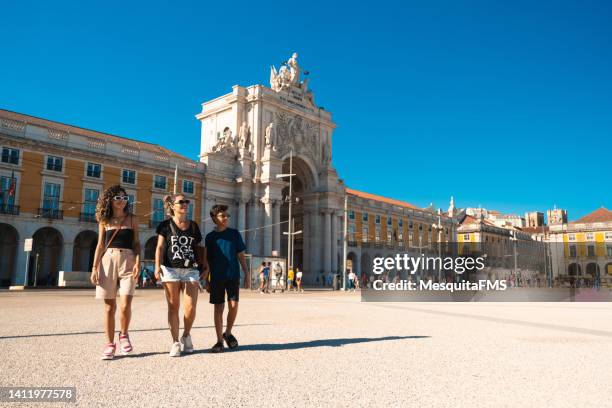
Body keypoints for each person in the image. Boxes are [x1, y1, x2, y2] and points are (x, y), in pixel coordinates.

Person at [90, 185, 140, 360]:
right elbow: (100, 245)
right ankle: (110, 344)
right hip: (107, 261)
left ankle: (124, 335)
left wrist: (138, 263)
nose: (122, 201)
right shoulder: (104, 220)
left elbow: (136, 243)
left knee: (126, 303)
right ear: (110, 200)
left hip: (128, 259)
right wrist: (94, 267)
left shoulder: (132, 219)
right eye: (118, 198)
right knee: (109, 307)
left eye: (124, 198)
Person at [154, 193, 205, 357]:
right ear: (173, 206)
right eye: (181, 202)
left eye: (186, 201)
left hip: (191, 269)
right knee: (173, 307)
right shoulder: (164, 225)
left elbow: (199, 248)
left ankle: (186, 335)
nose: (184, 204)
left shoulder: (194, 226)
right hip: (170, 269)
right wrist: (157, 267)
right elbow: (160, 247)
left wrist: (205, 266)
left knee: (190, 308)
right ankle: (175, 341)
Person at [203, 205, 248, 353]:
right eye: (223, 216)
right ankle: (219, 341)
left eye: (227, 215)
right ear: (215, 218)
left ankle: (227, 333)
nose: (226, 218)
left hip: (233, 275)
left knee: (234, 306)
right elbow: (207, 261)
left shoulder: (234, 234)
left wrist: (247, 274)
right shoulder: (210, 238)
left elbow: (241, 255)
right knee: (218, 308)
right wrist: (207, 280)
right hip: (216, 277)